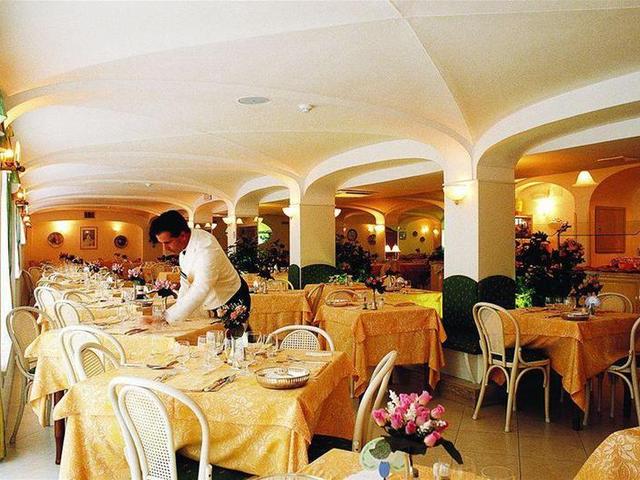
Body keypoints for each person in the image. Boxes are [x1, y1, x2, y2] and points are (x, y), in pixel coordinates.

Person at [145, 210, 250, 324]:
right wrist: (175, 314)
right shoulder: (185, 247)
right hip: (210, 301)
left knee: (230, 335)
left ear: (182, 236)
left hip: (231, 298)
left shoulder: (206, 247)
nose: (165, 248)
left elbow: (200, 288)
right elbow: (185, 283)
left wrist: (167, 318)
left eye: (167, 242)